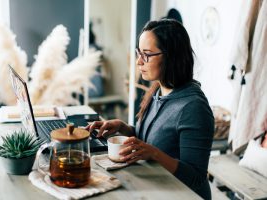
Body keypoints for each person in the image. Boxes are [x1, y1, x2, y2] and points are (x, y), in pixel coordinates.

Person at [87, 19, 214, 200]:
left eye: (146, 54)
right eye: (139, 52)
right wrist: (123, 128)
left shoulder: (194, 108)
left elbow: (196, 178)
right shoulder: (158, 88)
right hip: (157, 187)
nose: (139, 62)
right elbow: (152, 139)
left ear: (171, 56)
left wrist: (155, 154)